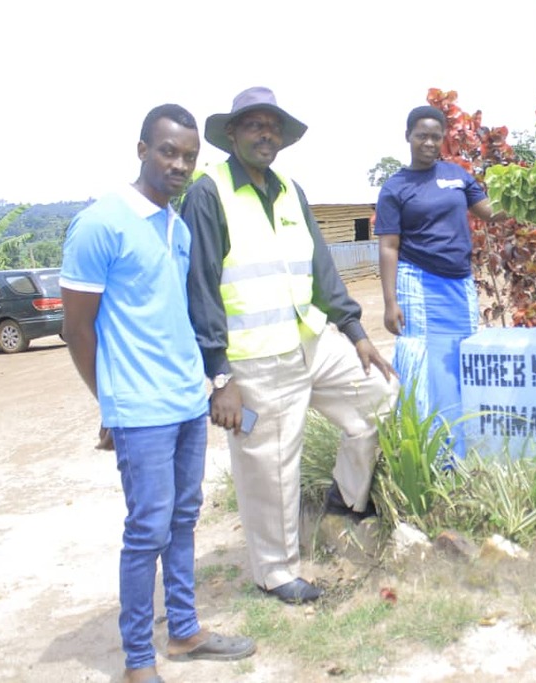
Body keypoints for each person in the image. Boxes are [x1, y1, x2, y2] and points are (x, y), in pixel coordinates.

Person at [181, 87, 399, 605]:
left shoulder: (289, 190)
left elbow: (321, 267)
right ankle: (275, 572)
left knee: (379, 398)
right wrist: (219, 377)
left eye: (272, 125)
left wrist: (356, 333)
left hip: (310, 341)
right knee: (271, 465)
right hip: (254, 359)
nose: (265, 133)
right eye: (253, 124)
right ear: (232, 134)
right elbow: (199, 288)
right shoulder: (208, 193)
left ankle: (345, 499)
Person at [61, 104, 255, 683]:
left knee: (184, 518)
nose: (179, 164)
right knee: (147, 527)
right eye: (168, 151)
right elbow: (76, 330)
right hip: (140, 410)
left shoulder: (179, 224)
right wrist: (110, 405)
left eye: (189, 156)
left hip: (186, 402)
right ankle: (138, 661)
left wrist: (214, 381)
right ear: (142, 149)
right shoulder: (101, 223)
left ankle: (186, 632)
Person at [374, 105, 496, 457]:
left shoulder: (456, 175)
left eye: (436, 137)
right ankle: (428, 452)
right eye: (421, 136)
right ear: (408, 137)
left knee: (458, 360)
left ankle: (462, 447)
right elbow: (388, 246)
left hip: (459, 283)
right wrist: (389, 301)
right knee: (423, 365)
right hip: (419, 283)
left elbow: (488, 211)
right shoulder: (395, 187)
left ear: (444, 139)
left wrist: (531, 194)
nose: (429, 142)